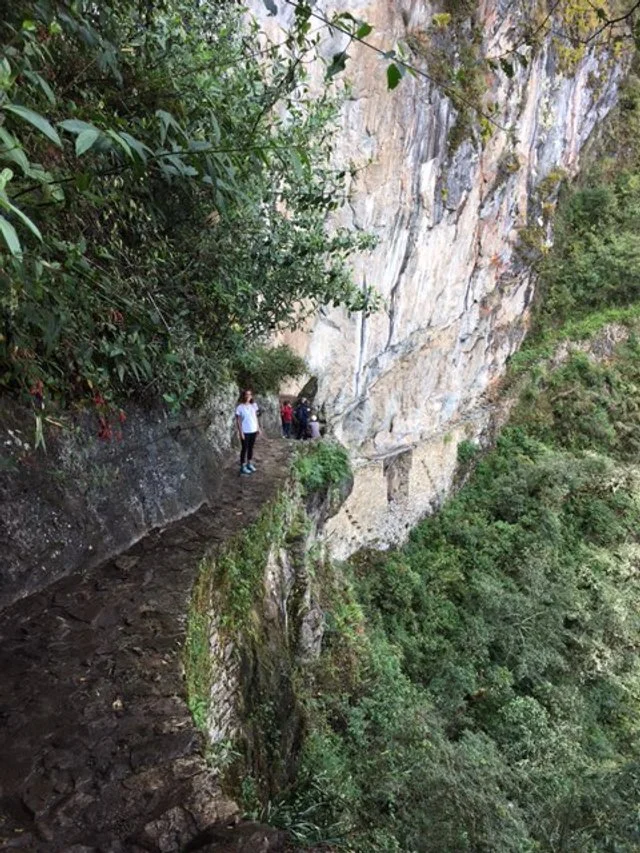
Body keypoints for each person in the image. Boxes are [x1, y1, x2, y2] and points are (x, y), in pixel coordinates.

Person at [235, 388, 261, 475]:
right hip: (245, 431)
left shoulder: (253, 406)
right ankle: (243, 466)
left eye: (249, 395)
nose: (248, 396)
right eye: (246, 394)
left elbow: (255, 417)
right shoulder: (240, 407)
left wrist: (258, 428)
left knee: (251, 448)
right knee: (244, 448)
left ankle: (249, 463)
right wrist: (241, 432)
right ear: (243, 396)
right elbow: (238, 421)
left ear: (251, 396)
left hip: (253, 430)